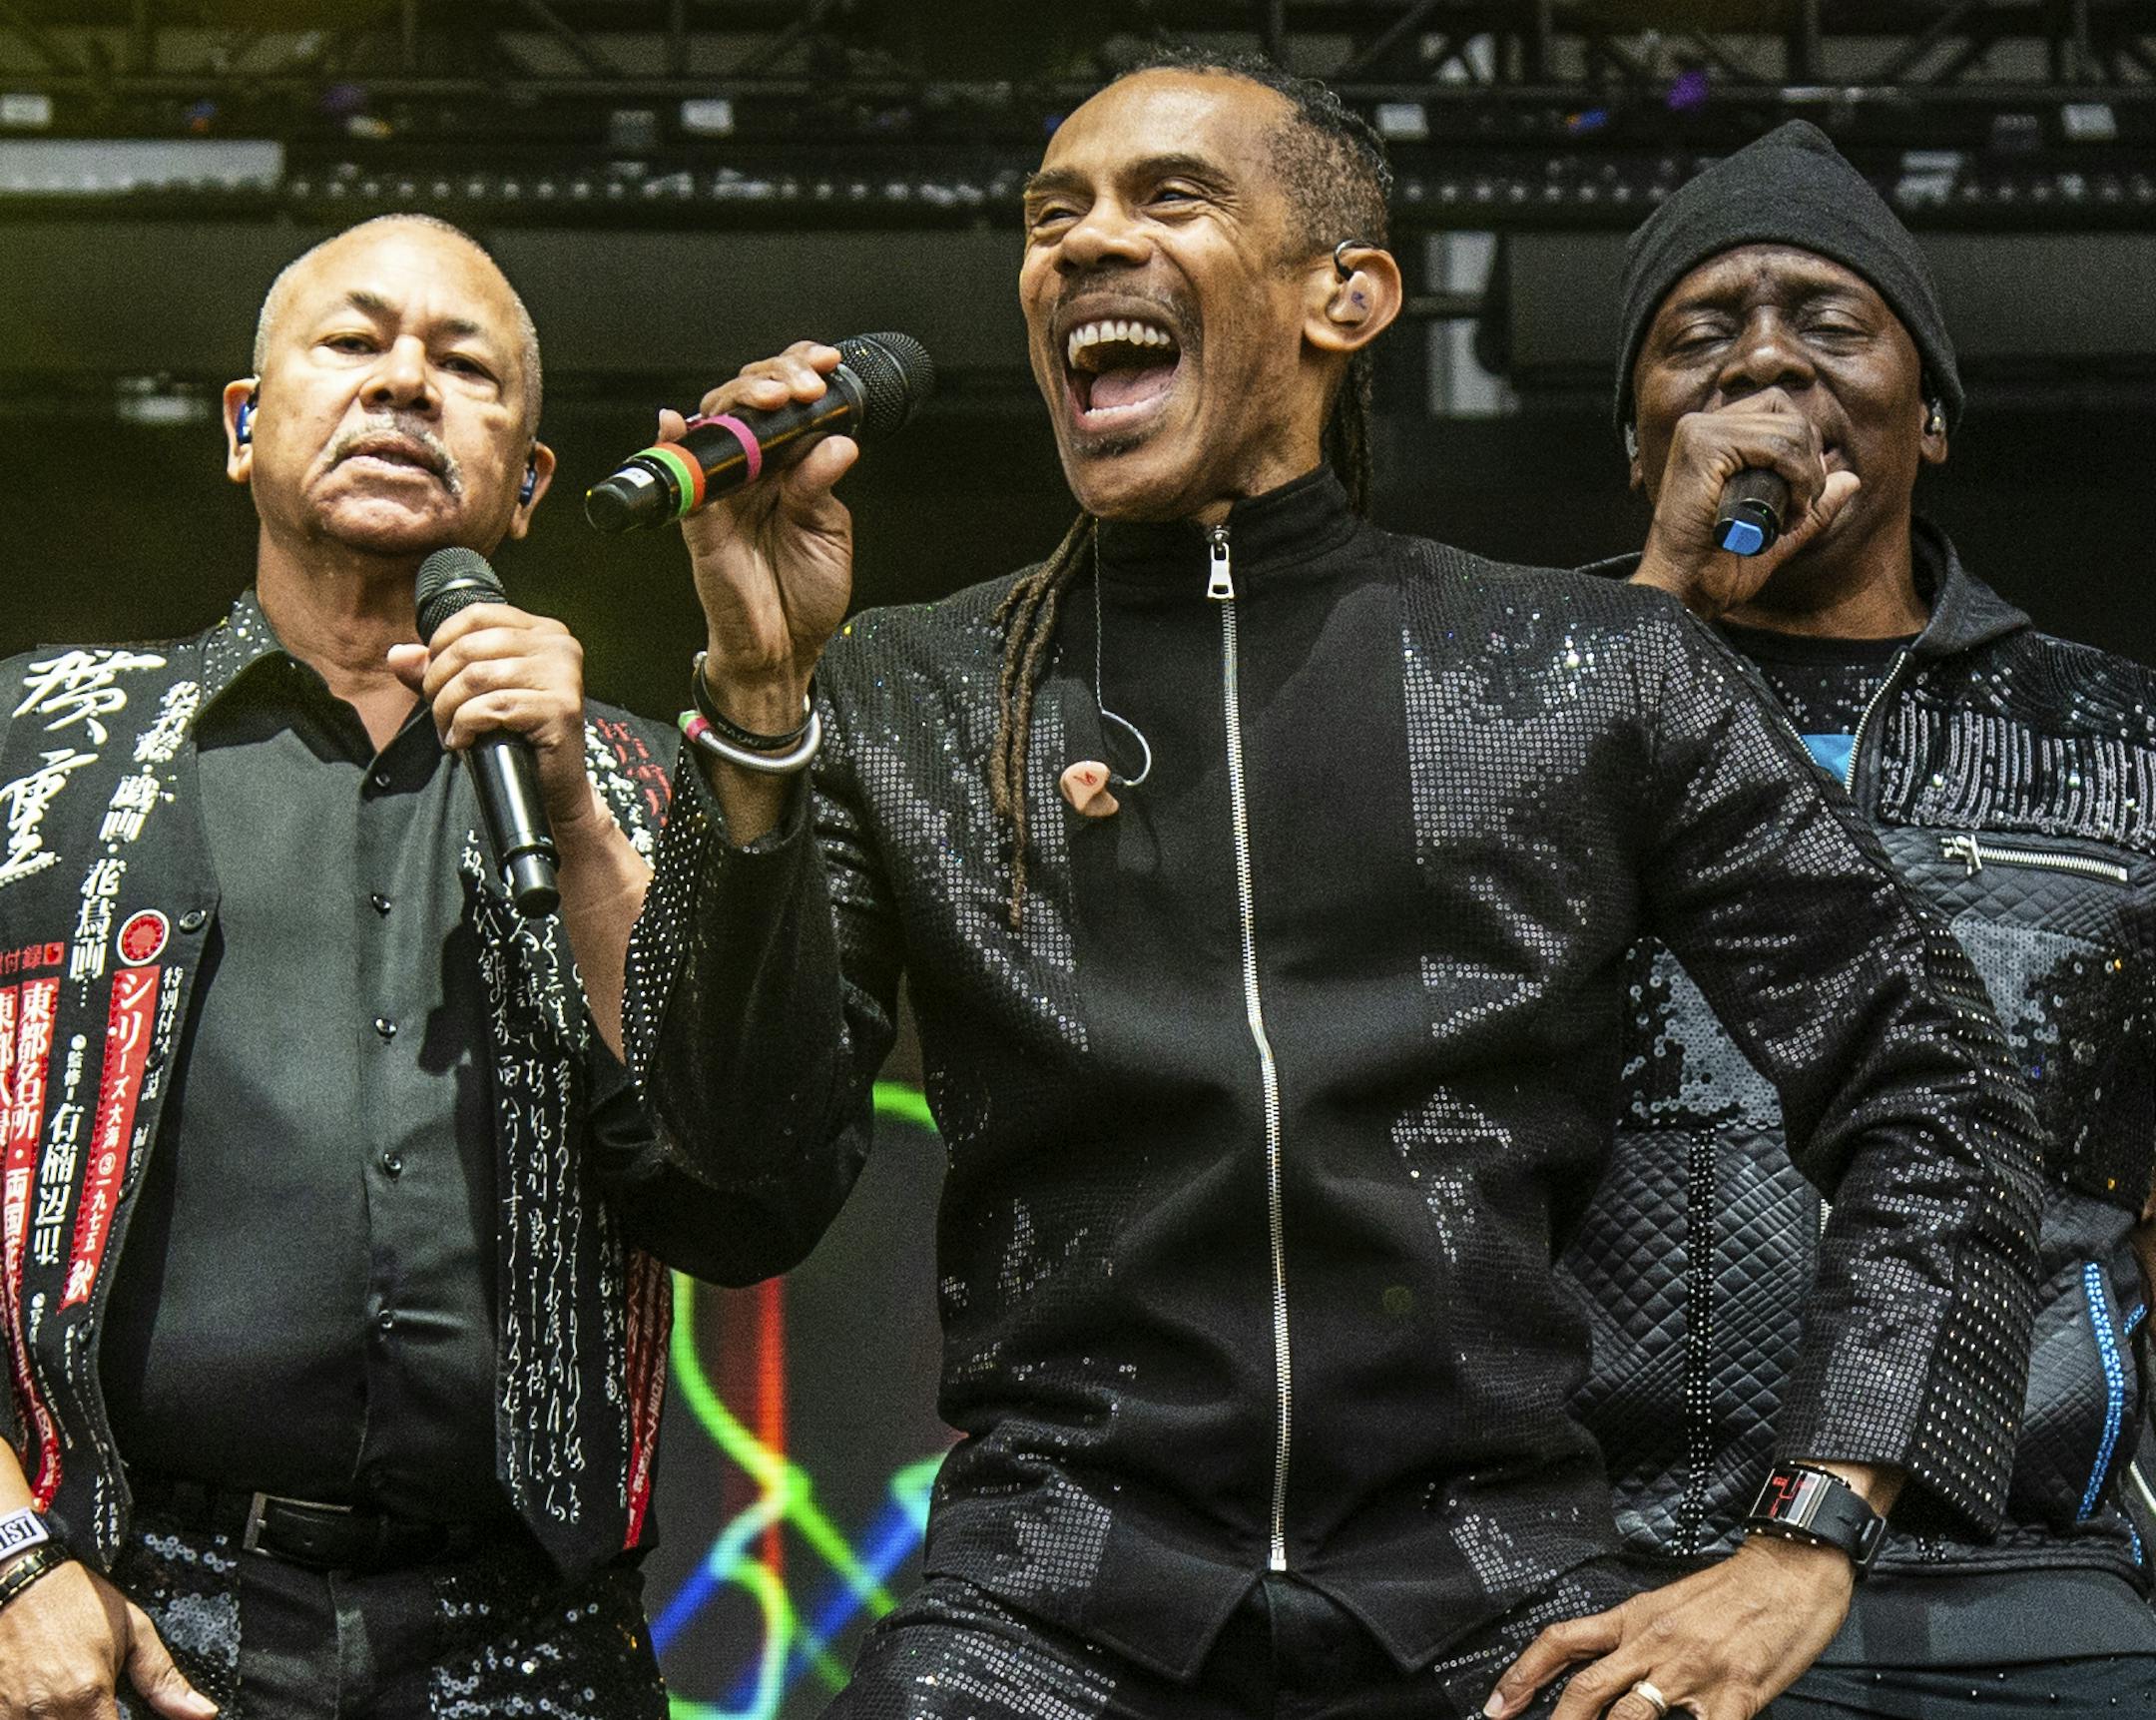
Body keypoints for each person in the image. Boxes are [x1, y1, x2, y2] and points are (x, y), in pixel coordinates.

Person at [625, 52, 2044, 1720]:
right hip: (1048, 1611)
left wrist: (1813, 1530)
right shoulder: (915, 690)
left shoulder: (1580, 669)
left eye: (1169, 198)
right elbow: (731, 1188)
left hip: (1495, 1605)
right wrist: (761, 708)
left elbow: (1931, 1074)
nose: (1083, 246)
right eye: (1050, 216)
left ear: (1347, 298)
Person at [0, 214, 714, 1719]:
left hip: (534, 1625)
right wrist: (6, 1554)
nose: (404, 383)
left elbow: (730, 1165)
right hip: (129, 1600)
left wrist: (579, 808)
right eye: (354, 342)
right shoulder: (35, 754)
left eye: (463, 365)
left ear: (528, 486)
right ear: (245, 429)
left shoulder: (638, 790)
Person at [1560, 120, 2156, 1716]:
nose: (1763, 362)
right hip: (1605, 1570)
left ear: (1932, 414)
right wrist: (1664, 601)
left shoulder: (2122, 741)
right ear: (1639, 443)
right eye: (1700, 336)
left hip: (2024, 1582)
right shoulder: (1507, 714)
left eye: (1829, 323)